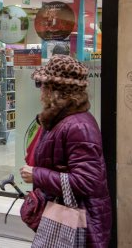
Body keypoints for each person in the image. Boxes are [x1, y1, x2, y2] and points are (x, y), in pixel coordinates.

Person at [20, 55, 112, 247]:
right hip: (68, 217)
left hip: (79, 223)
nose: (40, 91)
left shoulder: (78, 126)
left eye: (42, 85)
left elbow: (86, 181)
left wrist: (38, 174)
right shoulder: (63, 120)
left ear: (55, 91)